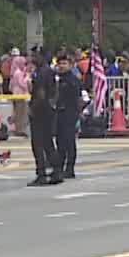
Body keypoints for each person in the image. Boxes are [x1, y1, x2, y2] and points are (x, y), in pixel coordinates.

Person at [29, 50, 59, 185]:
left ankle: (41, 173)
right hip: (48, 110)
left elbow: (40, 94)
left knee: (38, 143)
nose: (32, 58)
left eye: (35, 56)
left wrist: (32, 109)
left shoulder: (41, 73)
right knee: (48, 143)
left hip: (40, 112)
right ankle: (56, 171)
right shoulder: (50, 71)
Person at [53, 51, 83, 179]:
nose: (61, 66)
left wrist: (77, 113)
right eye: (60, 63)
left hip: (69, 113)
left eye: (64, 63)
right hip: (58, 113)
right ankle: (59, 166)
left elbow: (79, 98)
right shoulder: (57, 79)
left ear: (70, 65)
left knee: (69, 141)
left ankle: (70, 168)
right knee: (60, 141)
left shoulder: (73, 80)